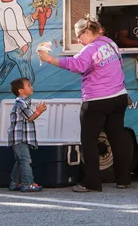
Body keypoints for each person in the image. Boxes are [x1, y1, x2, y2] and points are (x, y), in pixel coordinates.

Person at [37, 15, 131, 192]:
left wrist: (50, 59)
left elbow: (76, 65)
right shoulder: (110, 43)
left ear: (88, 32)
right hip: (119, 97)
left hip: (96, 100)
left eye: (80, 36)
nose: (79, 40)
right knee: (118, 138)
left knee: (88, 141)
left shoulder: (90, 49)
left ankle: (92, 182)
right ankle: (123, 179)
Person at [7, 77, 47, 192]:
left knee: (20, 160)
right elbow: (30, 117)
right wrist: (39, 111)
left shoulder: (22, 102)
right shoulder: (21, 103)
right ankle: (28, 183)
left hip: (18, 137)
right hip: (20, 138)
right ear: (21, 90)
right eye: (29, 85)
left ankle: (15, 182)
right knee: (25, 160)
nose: (31, 87)